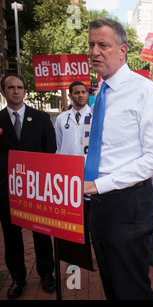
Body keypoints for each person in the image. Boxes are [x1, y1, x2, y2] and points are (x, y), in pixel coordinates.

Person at [83, 18, 153, 300]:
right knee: (112, 285)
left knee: (131, 289)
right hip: (99, 203)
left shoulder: (144, 91)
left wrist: (100, 184)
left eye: (103, 45)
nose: (94, 51)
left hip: (127, 203)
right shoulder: (101, 92)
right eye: (91, 44)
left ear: (122, 50)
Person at [0, 73, 57, 299]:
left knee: (41, 236)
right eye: (11, 87)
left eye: (20, 87)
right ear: (4, 91)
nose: (16, 91)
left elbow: (50, 151)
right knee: (11, 239)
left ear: (24, 91)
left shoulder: (41, 118)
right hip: (7, 191)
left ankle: (47, 274)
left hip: (36, 189)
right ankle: (18, 279)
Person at [54, 80, 94, 270]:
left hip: (90, 175)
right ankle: (78, 253)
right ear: (70, 95)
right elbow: (58, 146)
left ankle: (96, 249)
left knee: (93, 215)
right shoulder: (62, 119)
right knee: (75, 217)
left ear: (87, 94)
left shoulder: (95, 116)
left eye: (83, 92)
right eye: (76, 92)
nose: (80, 95)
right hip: (69, 176)